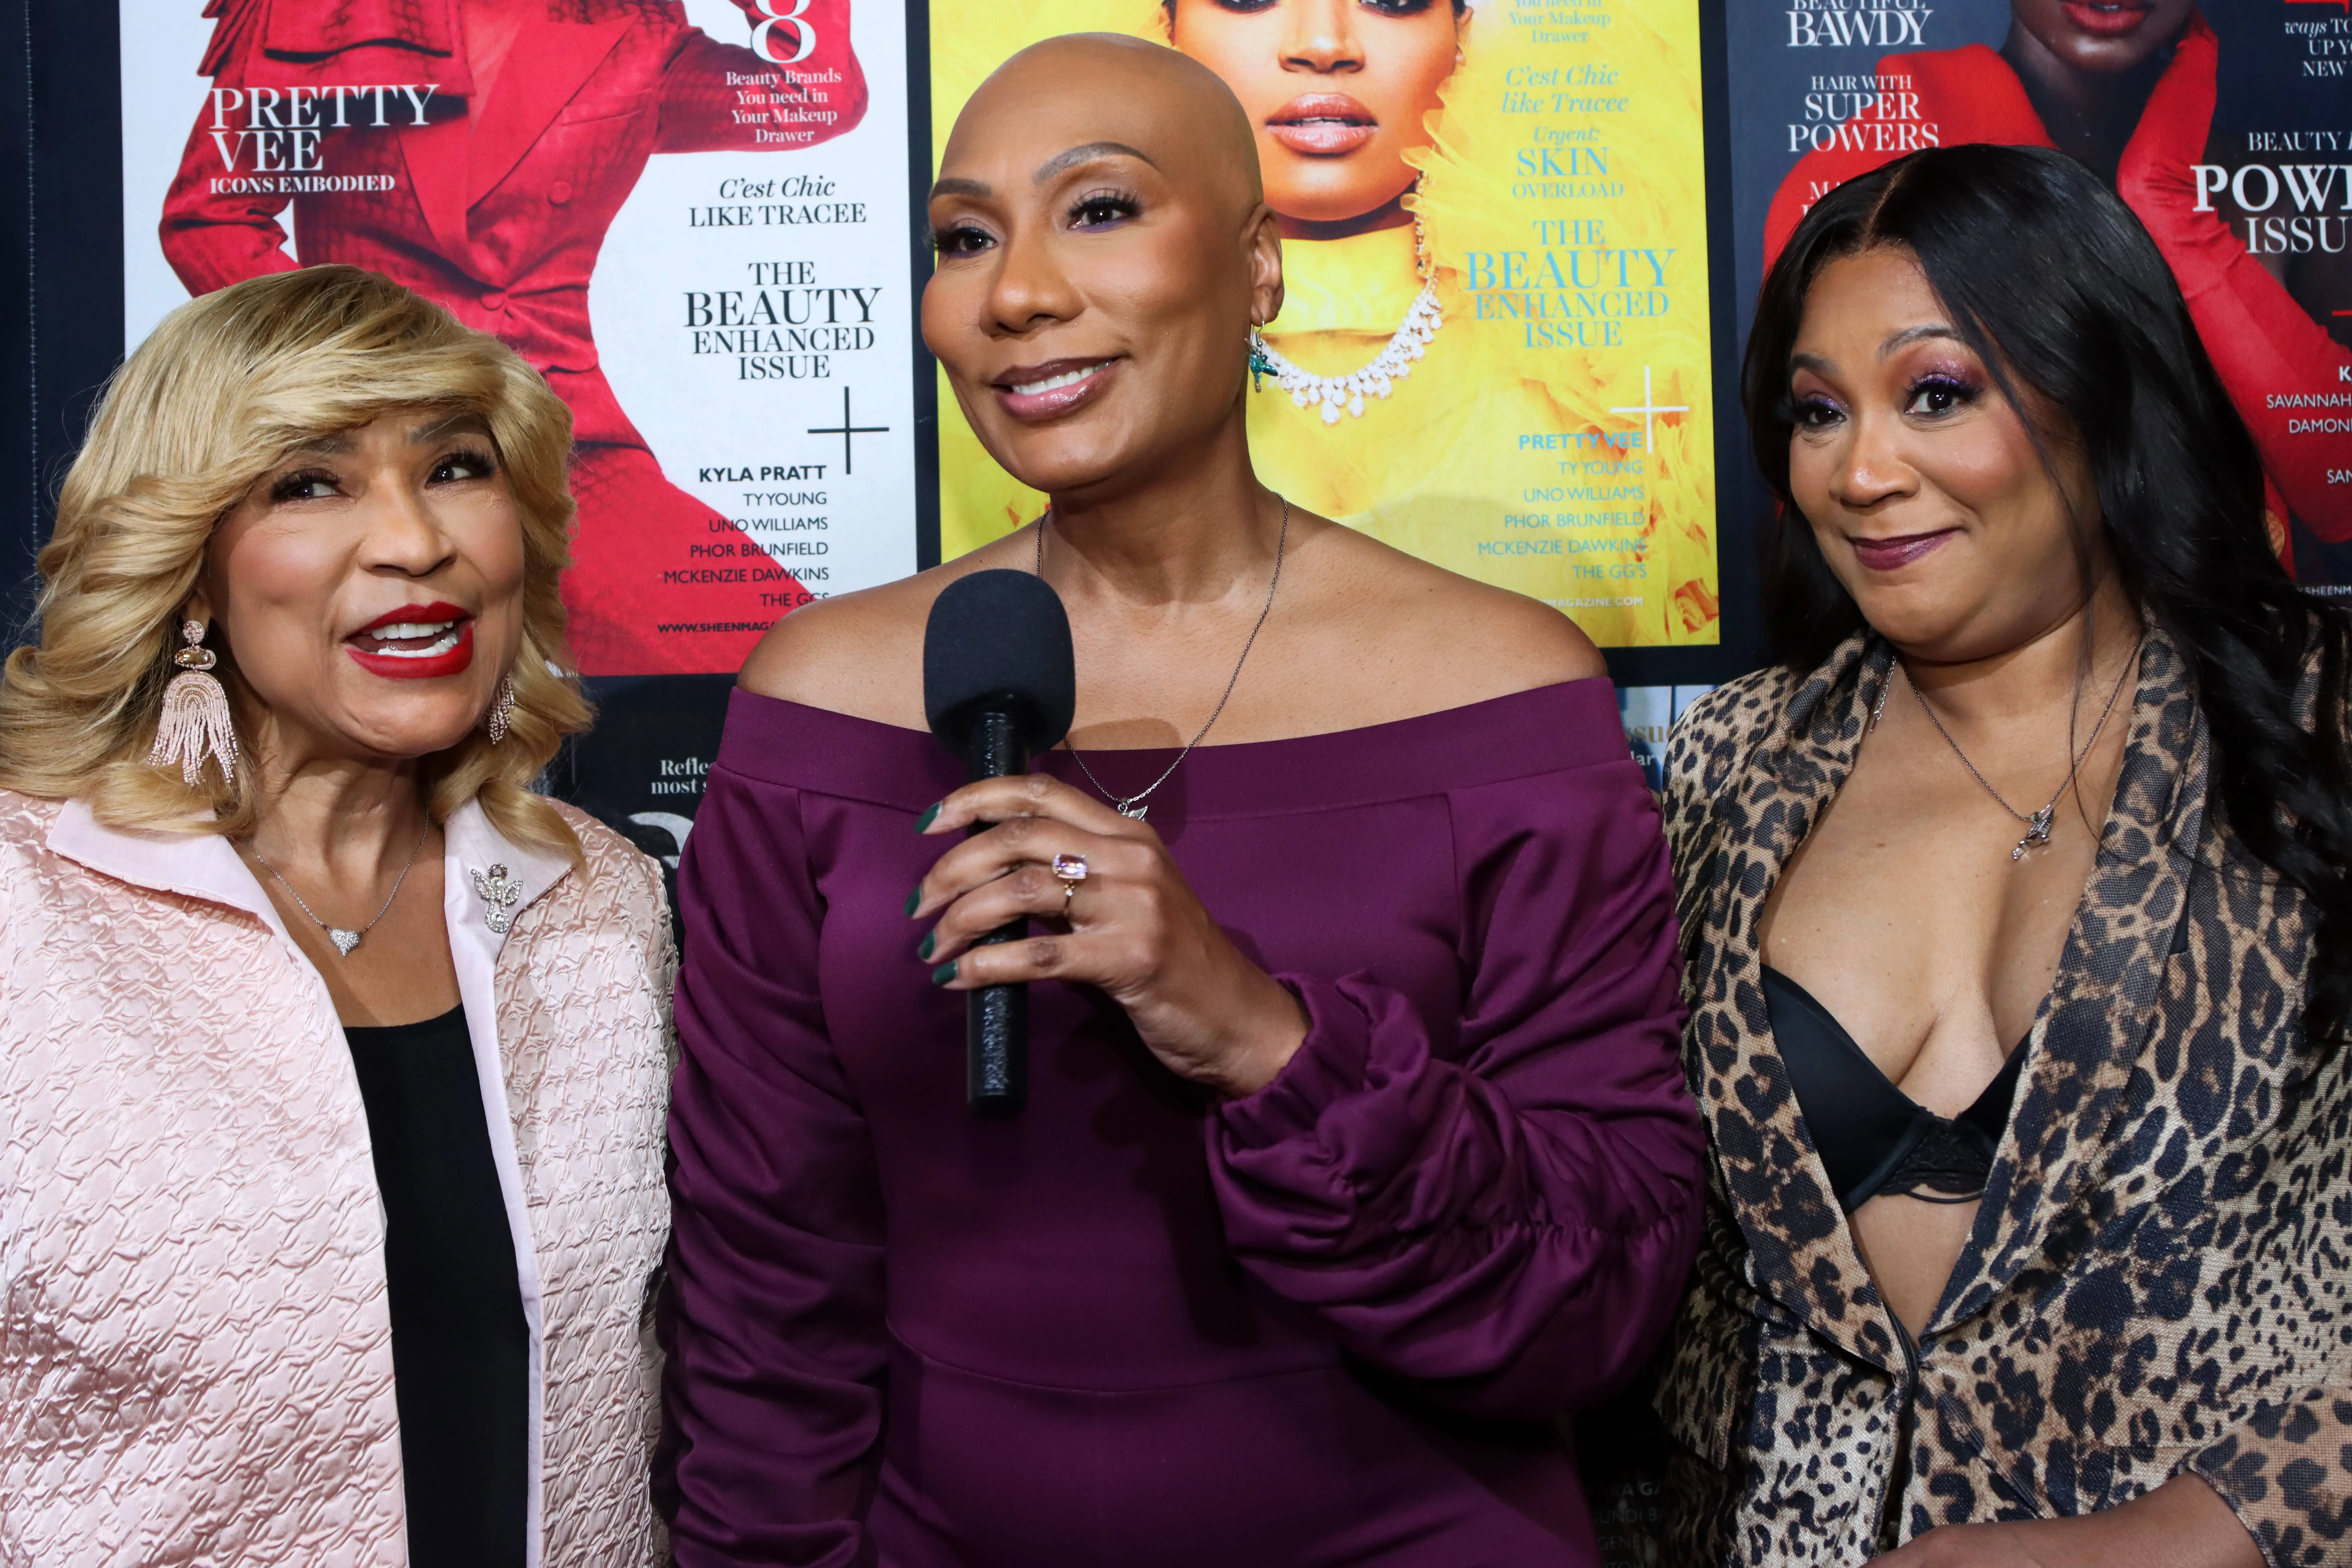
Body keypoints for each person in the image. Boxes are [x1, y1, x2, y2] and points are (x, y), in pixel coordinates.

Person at [657, 34, 1703, 1566]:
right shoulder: (820, 701)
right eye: (964, 237)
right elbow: (765, 1291)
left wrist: (1255, 1034)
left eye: (1098, 209)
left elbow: (1604, 1285)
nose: (1016, 293)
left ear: (1259, 265)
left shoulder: (1503, 689)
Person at [1657, 144, 2352, 1567]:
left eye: (1935, 393)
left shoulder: (2320, 728)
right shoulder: (1733, 761)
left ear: (2101, 394)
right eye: (1815, 411)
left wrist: (2187, 1533)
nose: (1860, 473)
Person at [0, 267, 675, 1564]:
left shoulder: (601, 898)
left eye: (455, 467)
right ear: (193, 570)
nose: (413, 539)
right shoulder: (28, 907)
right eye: (311, 483)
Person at [930, 2, 1720, 647]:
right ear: (1165, 27)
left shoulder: (1604, 383)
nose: (1322, 45)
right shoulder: (1035, 429)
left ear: (1463, 32)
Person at [163, 0, 870, 676]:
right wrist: (360, 373)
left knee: (784, 667)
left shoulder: (639, 29)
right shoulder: (324, 13)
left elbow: (812, 97)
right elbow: (212, 221)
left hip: (561, 441)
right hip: (358, 439)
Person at [1765, 2, 2352, 561]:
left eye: (1941, 396)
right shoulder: (1855, 189)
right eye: (1939, 395)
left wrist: (2167, 205)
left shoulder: (2288, 193)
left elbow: (2342, 500)